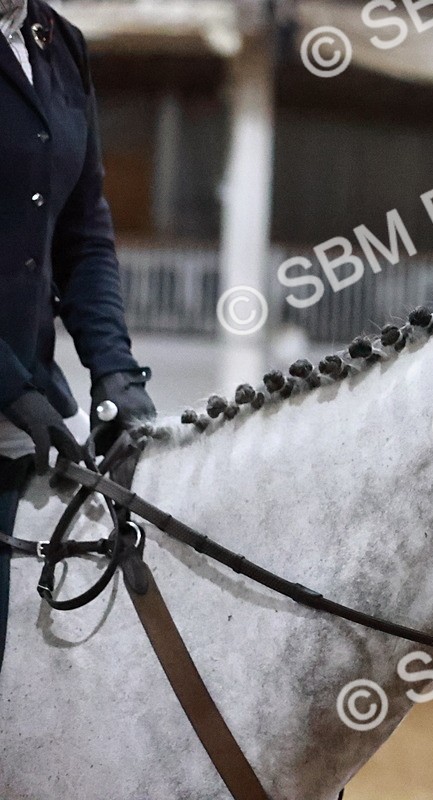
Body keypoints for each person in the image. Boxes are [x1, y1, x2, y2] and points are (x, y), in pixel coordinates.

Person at [1, 0, 155, 671]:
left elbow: (82, 231)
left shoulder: (60, 45)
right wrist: (11, 389)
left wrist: (114, 370)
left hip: (25, 409)